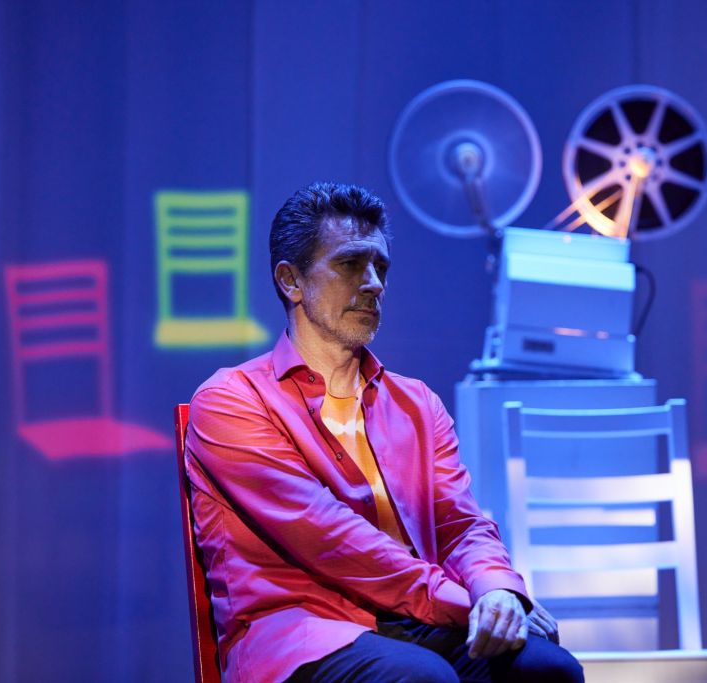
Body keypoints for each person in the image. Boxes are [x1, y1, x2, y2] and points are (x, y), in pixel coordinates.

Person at [185, 182, 584, 683]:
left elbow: (461, 524)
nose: (374, 283)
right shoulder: (232, 401)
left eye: (381, 267)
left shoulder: (416, 402)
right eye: (351, 264)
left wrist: (497, 590)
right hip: (303, 631)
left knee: (549, 670)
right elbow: (331, 539)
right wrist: (467, 603)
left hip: (419, 619)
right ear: (291, 281)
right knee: (420, 678)